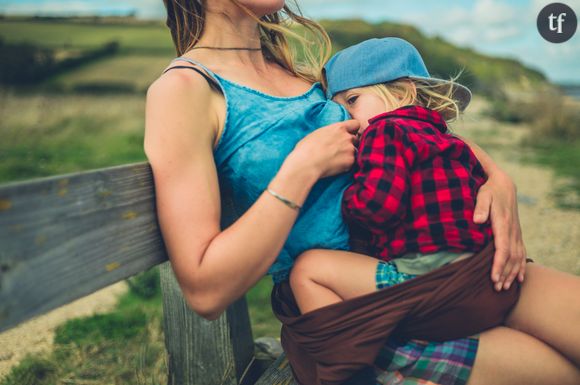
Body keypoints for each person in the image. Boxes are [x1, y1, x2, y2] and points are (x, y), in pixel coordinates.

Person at [144, 1, 580, 384]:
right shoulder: (184, 90)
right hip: (357, 309)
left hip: (436, 261)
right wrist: (302, 168)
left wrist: (497, 177)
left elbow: (406, 125)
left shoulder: (303, 73)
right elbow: (204, 289)